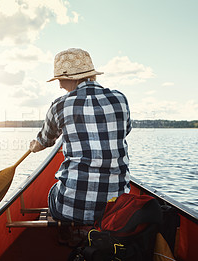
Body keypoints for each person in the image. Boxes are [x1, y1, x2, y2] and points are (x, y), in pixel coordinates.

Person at [29, 48, 132, 225]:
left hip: (71, 208)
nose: (60, 85)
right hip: (117, 209)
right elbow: (125, 130)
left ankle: (68, 233)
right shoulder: (120, 99)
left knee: (53, 190)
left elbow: (45, 140)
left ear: (72, 79)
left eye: (61, 79)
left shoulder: (59, 105)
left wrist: (34, 146)